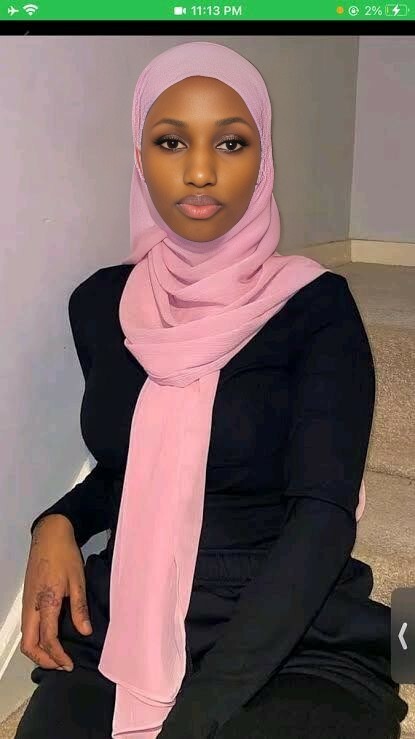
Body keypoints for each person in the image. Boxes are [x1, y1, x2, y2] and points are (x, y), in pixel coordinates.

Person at [16, 41, 408, 739]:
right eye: (171, 142)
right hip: (130, 606)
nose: (200, 171)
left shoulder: (316, 306)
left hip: (286, 619)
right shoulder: (101, 304)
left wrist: (201, 709)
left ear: (263, 159)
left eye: (231, 142)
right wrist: (59, 521)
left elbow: (323, 517)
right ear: (141, 158)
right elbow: (132, 465)